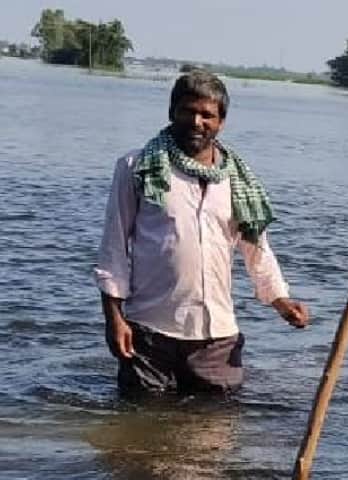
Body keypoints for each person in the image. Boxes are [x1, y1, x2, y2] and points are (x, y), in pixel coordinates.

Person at [95, 69, 309, 397]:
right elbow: (113, 248)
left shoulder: (237, 179)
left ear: (221, 122)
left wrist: (281, 301)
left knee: (216, 432)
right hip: (150, 333)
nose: (197, 122)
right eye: (188, 111)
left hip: (217, 338)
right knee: (139, 430)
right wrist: (114, 319)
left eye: (207, 115)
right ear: (172, 112)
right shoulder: (136, 167)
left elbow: (257, 249)